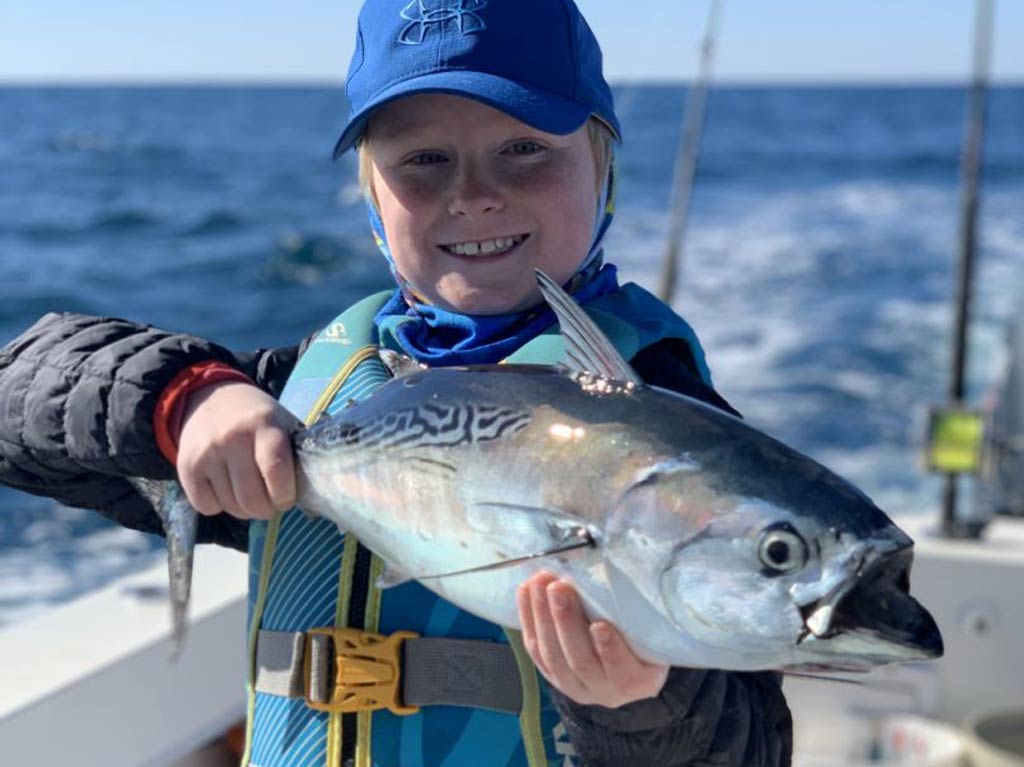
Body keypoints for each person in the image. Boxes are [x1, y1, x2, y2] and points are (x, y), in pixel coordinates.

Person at [0, 0, 792, 764]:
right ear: (371, 197)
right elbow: (18, 401)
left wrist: (645, 705)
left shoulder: (669, 421)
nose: (476, 193)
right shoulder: (314, 392)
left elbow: (751, 744)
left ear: (602, 164)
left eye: (525, 148)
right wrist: (185, 399)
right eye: (423, 160)